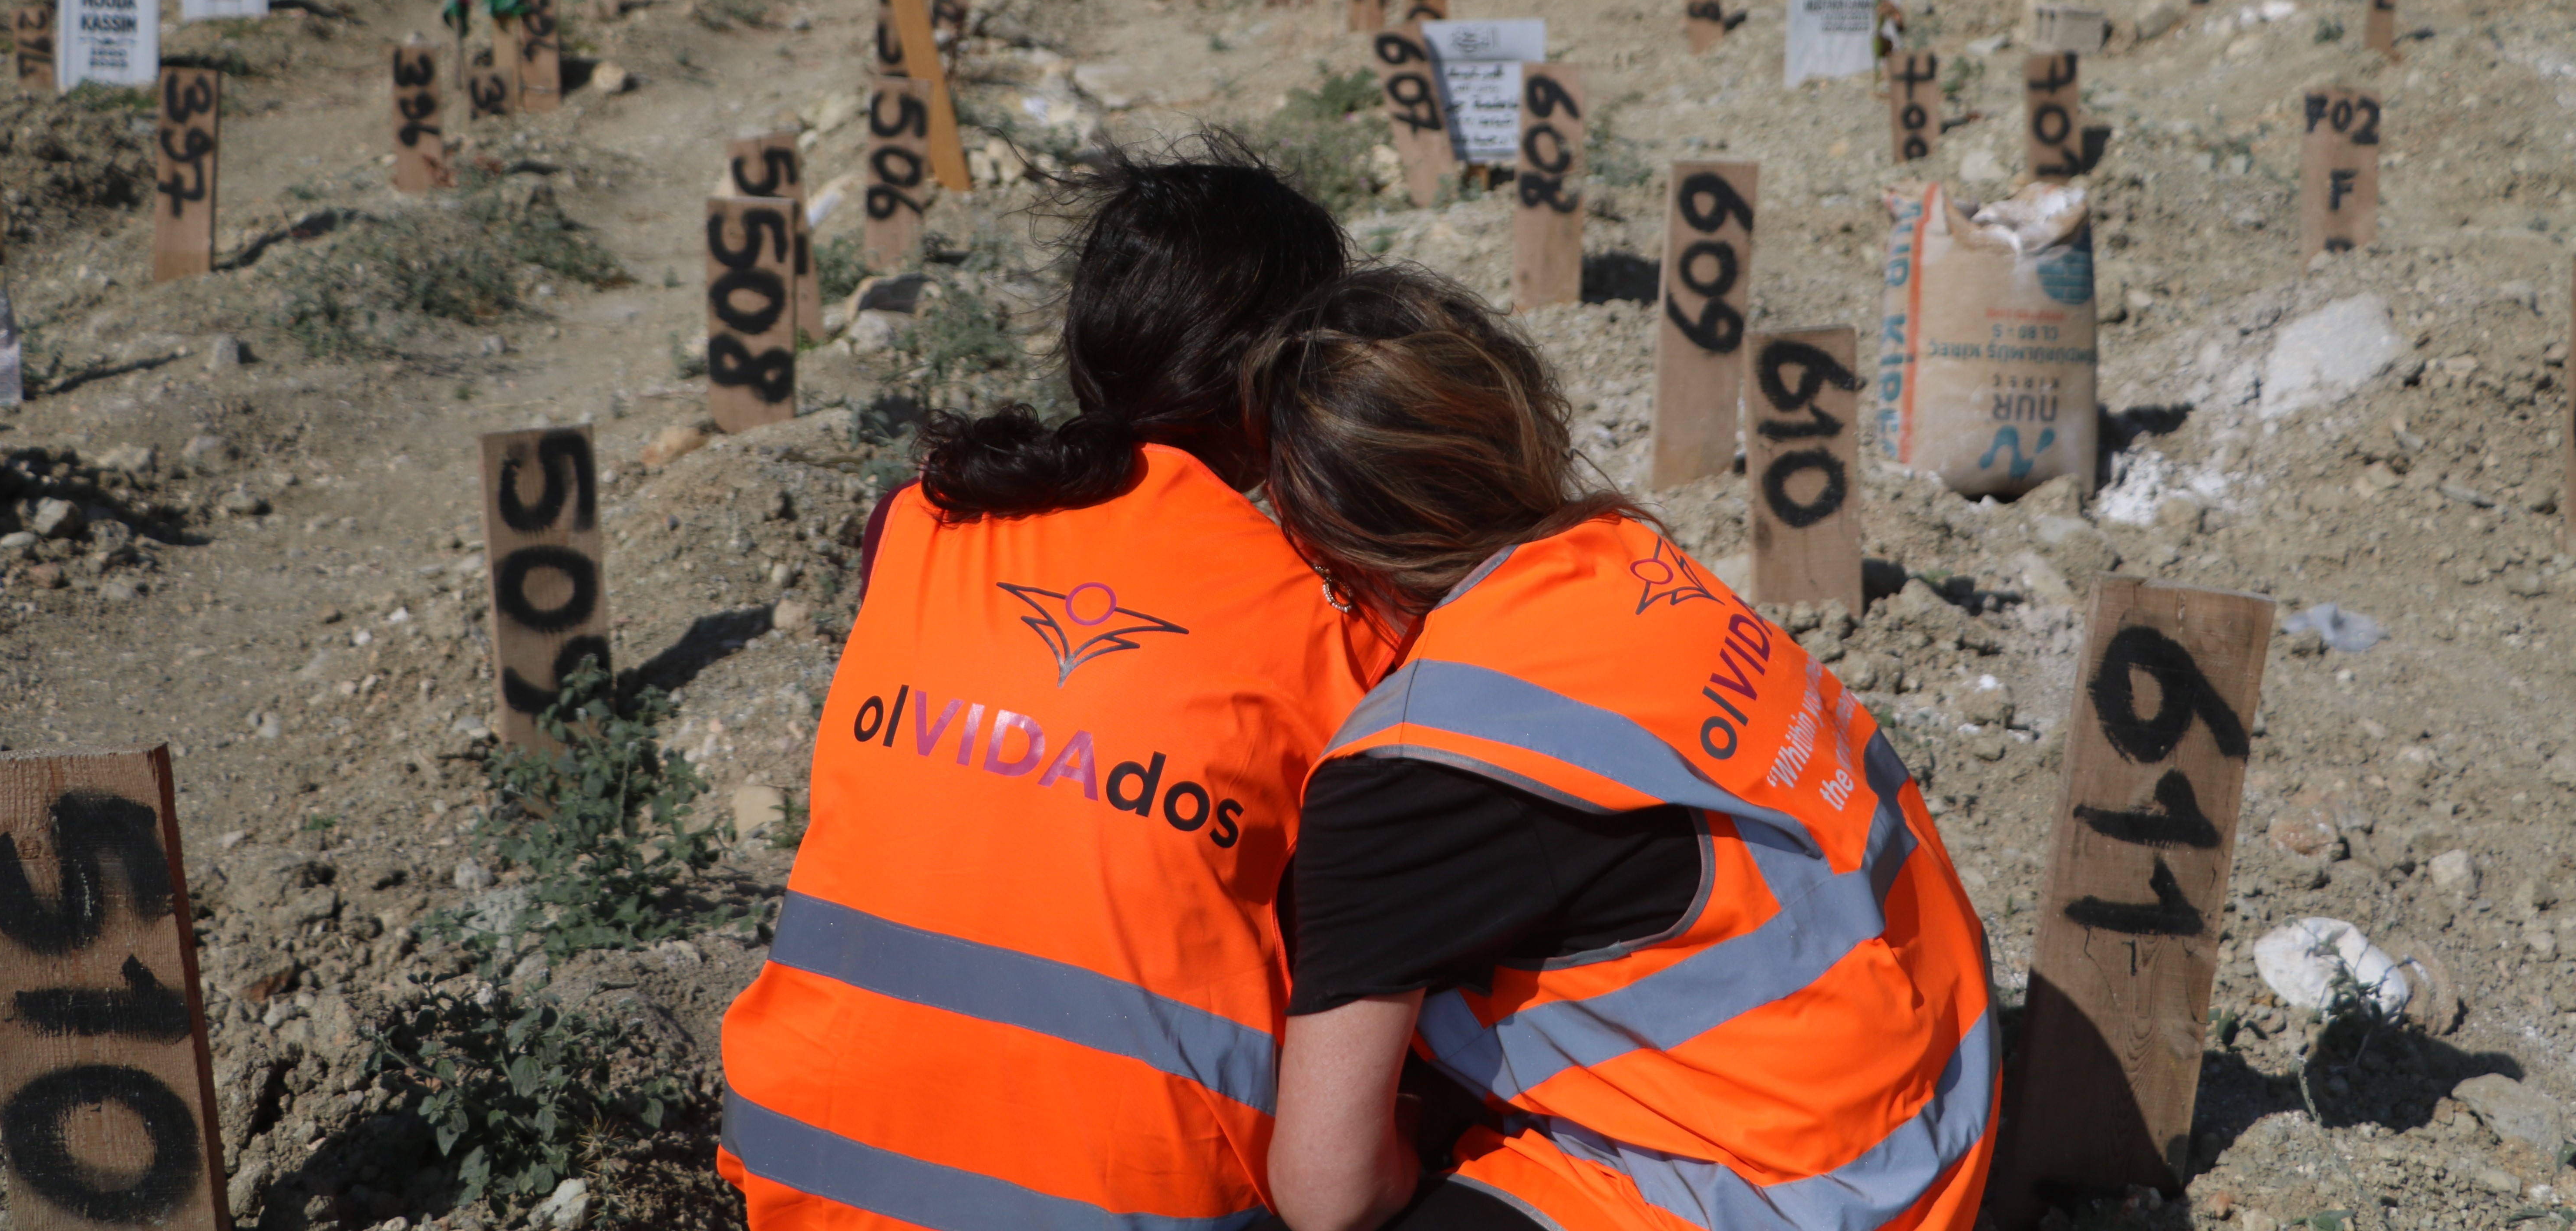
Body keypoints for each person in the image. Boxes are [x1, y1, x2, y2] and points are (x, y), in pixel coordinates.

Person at [717, 149, 1392, 1231]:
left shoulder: (919, 526)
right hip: (1129, 1204)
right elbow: (1362, 968)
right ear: (1289, 377)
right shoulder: (1333, 628)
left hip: (804, 1166)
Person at [1244, 268, 1997, 1231]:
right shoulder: (1632, 560)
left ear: (1320, 534)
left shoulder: (1408, 767)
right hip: (1938, 1115)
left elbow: (1330, 1193)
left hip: (1800, 1195)